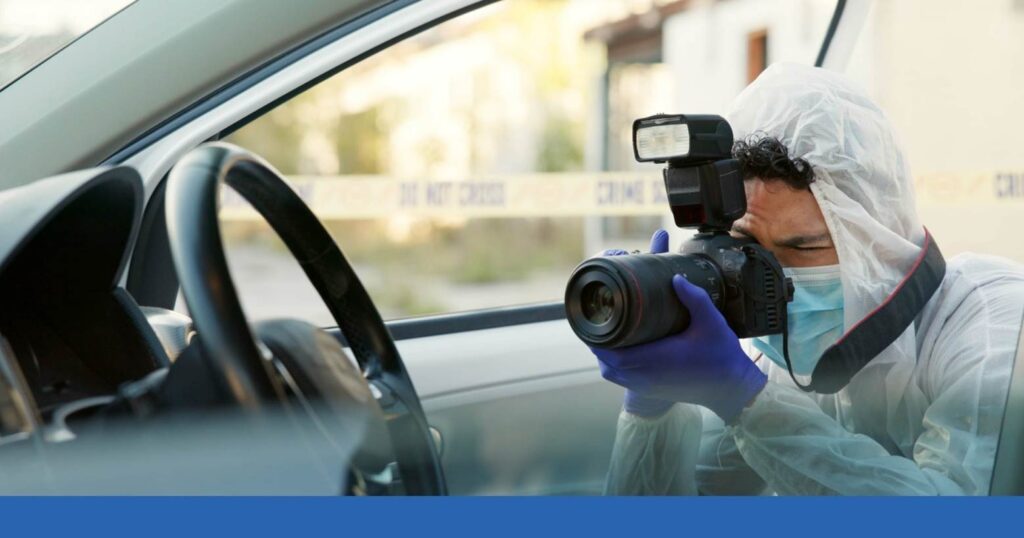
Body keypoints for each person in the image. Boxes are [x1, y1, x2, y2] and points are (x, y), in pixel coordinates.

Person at [592, 63, 1024, 496]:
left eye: (801, 248)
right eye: (748, 246)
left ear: (879, 240)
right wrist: (654, 413)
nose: (771, 278)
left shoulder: (992, 322)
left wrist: (746, 403)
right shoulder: (779, 361)